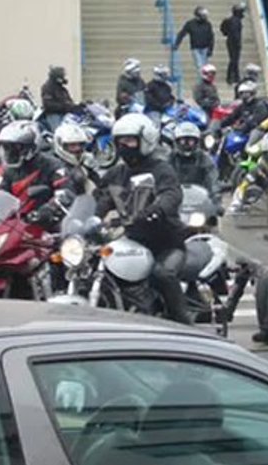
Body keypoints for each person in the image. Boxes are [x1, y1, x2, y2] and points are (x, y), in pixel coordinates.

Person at [96, 113, 191, 324]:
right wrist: (88, 218)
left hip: (166, 241)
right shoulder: (116, 173)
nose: (124, 146)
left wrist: (157, 209)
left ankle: (185, 325)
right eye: (120, 141)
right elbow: (102, 199)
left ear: (145, 140)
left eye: (129, 140)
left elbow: (171, 193)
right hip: (133, 240)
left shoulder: (161, 169)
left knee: (163, 274)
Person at [0, 121, 73, 227]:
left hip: (49, 225)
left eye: (15, 147)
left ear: (31, 146)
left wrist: (49, 208)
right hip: (17, 224)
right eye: (7, 147)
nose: (10, 152)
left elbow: (65, 193)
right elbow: (1, 193)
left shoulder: (53, 166)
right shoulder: (11, 170)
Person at [170, 122, 220, 205]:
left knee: (212, 217)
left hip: (199, 204)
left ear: (197, 142)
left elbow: (213, 180)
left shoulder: (205, 159)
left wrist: (216, 200)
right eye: (183, 141)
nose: (186, 145)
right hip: (173, 203)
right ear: (176, 141)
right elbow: (160, 180)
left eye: (190, 141)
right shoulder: (169, 159)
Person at [52, 121, 100, 189]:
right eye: (72, 145)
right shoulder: (54, 167)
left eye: (80, 144)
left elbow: (99, 184)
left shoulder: (86, 162)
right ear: (61, 145)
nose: (78, 148)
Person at [174, 6, 214, 73]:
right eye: (203, 16)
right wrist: (177, 43)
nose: (205, 18)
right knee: (199, 66)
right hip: (196, 48)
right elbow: (182, 33)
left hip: (205, 47)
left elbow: (211, 37)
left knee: (205, 66)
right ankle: (202, 82)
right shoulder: (190, 24)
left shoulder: (207, 24)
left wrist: (210, 49)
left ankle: (203, 82)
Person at [40, 65, 78, 133]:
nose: (64, 78)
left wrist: (76, 106)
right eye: (62, 76)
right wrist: (64, 106)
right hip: (54, 114)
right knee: (58, 131)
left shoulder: (62, 89)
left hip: (65, 114)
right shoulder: (47, 87)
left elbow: (68, 100)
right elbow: (48, 104)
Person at [220, 3, 246, 85]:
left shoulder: (232, 20)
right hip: (233, 42)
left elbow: (224, 29)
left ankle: (236, 76)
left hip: (231, 41)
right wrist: (237, 42)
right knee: (234, 60)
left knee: (234, 60)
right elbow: (235, 34)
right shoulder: (235, 21)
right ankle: (231, 77)